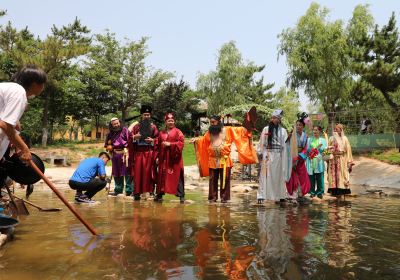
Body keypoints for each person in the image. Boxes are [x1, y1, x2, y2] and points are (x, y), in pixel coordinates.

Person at [190, 115, 257, 203]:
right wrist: (197, 140)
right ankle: (212, 199)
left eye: (213, 122)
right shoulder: (209, 132)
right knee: (212, 180)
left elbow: (241, 131)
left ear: (218, 122)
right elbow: (204, 140)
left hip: (224, 160)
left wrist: (247, 127)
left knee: (225, 180)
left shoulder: (228, 130)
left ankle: (224, 199)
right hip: (213, 160)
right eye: (211, 123)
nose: (212, 124)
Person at [0, 66, 47, 163]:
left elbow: (9, 124)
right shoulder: (19, 92)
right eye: (43, 84)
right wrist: (24, 148)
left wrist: (17, 141)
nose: (43, 88)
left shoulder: (9, 89)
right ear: (34, 84)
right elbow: (5, 125)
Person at [257, 109, 291, 203]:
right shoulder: (266, 129)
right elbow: (261, 142)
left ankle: (280, 195)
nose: (274, 119)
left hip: (278, 156)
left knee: (278, 176)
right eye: (273, 118)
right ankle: (262, 195)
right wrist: (260, 153)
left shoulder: (283, 131)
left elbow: (285, 145)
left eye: (276, 118)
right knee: (265, 175)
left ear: (280, 119)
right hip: (268, 154)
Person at [128, 105, 159, 201]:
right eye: (145, 114)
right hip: (138, 153)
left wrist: (153, 140)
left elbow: (158, 139)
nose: (146, 116)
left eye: (148, 115)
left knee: (149, 172)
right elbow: (129, 138)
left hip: (149, 152)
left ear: (150, 115)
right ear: (141, 115)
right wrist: (134, 137)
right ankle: (136, 192)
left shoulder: (153, 127)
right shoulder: (136, 126)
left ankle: (150, 191)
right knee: (137, 172)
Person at [155, 113, 185, 202]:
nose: (170, 122)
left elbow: (181, 143)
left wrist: (170, 144)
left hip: (174, 158)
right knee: (162, 176)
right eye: (169, 121)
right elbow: (157, 146)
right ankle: (159, 195)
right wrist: (157, 157)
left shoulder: (178, 132)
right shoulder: (161, 133)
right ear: (165, 122)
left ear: (174, 121)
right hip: (163, 158)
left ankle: (181, 195)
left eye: (172, 121)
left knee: (177, 175)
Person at [104, 117, 133, 196]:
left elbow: (130, 141)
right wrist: (108, 146)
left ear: (119, 123)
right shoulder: (110, 133)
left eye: (117, 123)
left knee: (127, 172)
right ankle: (118, 190)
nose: (116, 125)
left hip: (125, 154)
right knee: (116, 172)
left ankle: (129, 190)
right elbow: (106, 144)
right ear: (112, 125)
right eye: (114, 124)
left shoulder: (125, 130)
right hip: (115, 154)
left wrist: (129, 151)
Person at [286, 114, 311, 201]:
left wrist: (301, 157)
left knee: (302, 175)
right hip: (293, 157)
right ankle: (292, 193)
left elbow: (306, 148)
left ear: (303, 126)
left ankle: (301, 193)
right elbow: (288, 146)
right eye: (297, 125)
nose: (298, 126)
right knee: (292, 176)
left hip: (301, 158)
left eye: (300, 125)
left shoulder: (305, 136)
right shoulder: (292, 135)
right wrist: (293, 157)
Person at [327, 123, 354, 195]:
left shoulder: (344, 138)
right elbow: (327, 150)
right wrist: (327, 156)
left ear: (341, 130)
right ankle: (333, 190)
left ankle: (342, 190)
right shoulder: (331, 138)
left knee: (341, 174)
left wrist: (349, 162)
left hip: (342, 159)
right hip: (333, 159)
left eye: (336, 129)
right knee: (333, 175)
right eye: (334, 129)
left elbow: (348, 151)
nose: (335, 130)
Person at [306, 126, 327, 199]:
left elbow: (326, 151)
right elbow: (307, 150)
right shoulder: (309, 139)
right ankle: (312, 192)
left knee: (320, 177)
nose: (315, 132)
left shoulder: (323, 140)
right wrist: (310, 152)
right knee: (311, 177)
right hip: (311, 159)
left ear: (320, 131)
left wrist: (320, 150)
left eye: (316, 130)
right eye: (314, 130)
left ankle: (320, 192)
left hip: (319, 160)